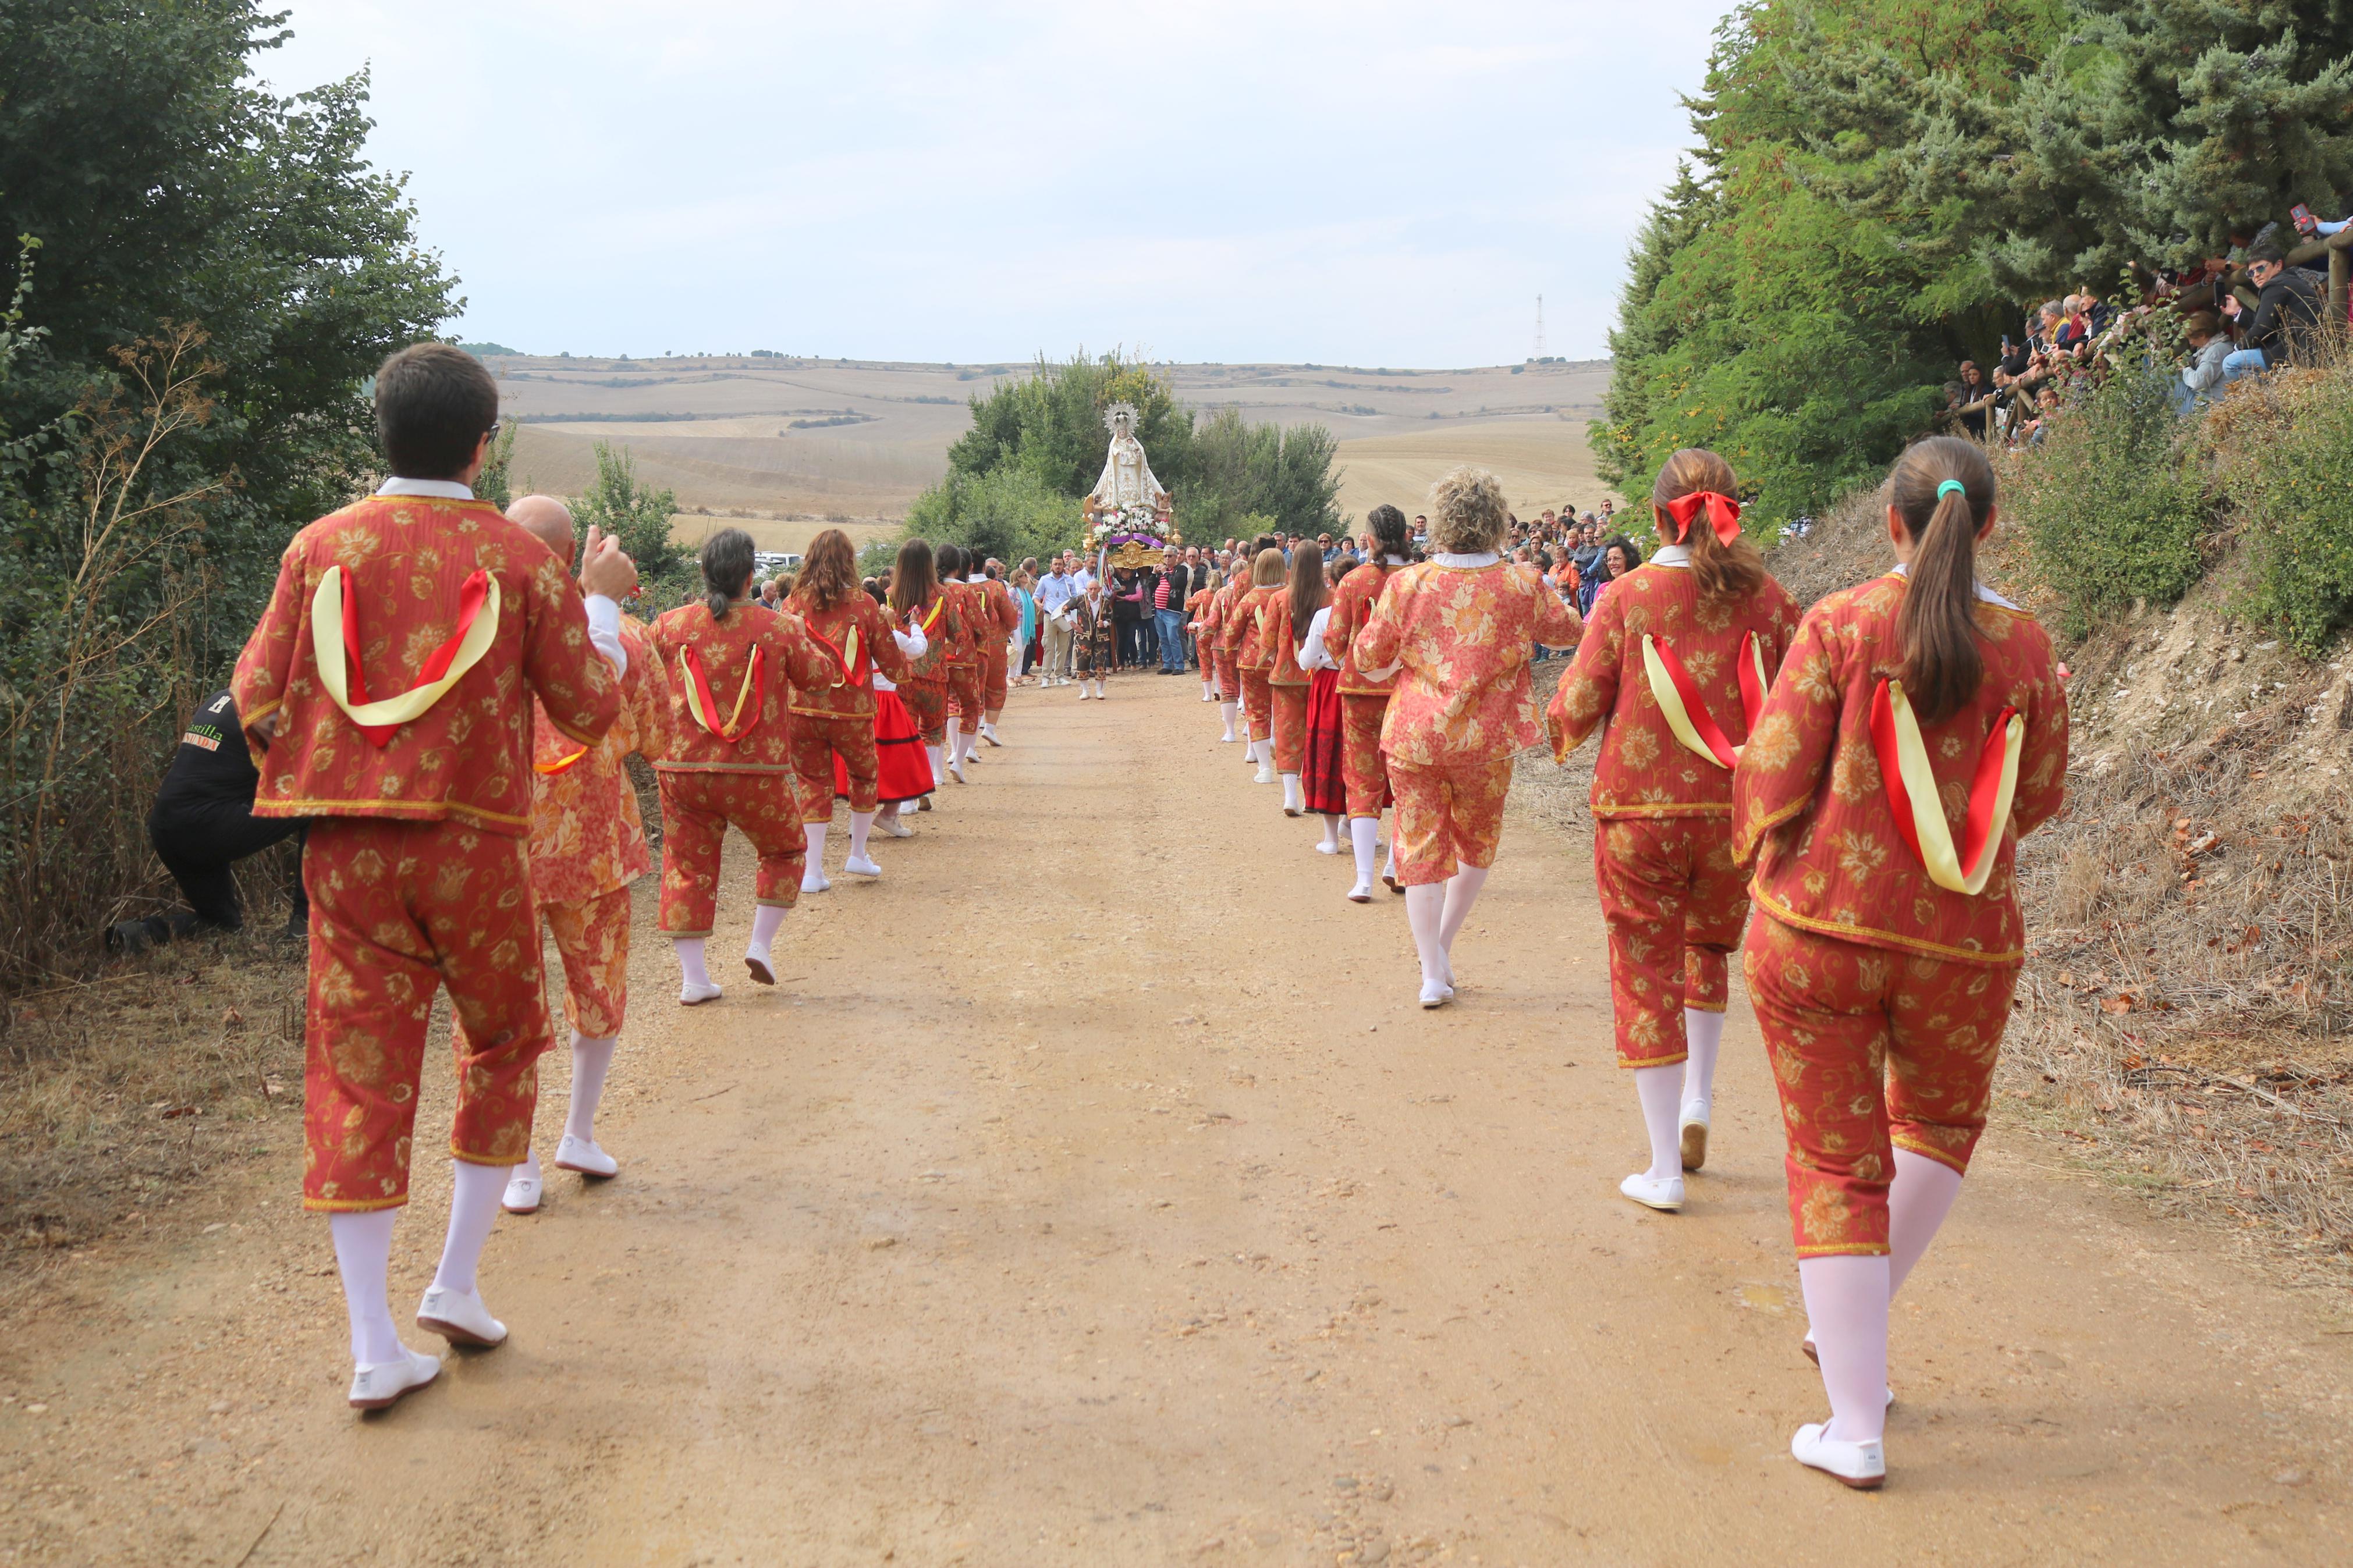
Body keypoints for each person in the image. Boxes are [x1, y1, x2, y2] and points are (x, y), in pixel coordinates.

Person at [230, 342, 631, 1410]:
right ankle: (454, 1283)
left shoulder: (319, 547)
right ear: (483, 444)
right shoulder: (515, 560)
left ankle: (373, 1346)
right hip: (477, 846)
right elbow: (591, 709)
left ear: (380, 433)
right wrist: (595, 607)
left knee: (358, 1070)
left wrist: (322, 776)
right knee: (501, 1043)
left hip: (346, 848)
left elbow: (257, 692)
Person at [1730, 435, 2068, 1490]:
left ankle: (1853, 1421)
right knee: (1936, 1127)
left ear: (1892, 521)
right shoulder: (2026, 646)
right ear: (1989, 526)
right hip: (1962, 947)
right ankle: (1853, 1330)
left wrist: (1763, 844)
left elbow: (1773, 769)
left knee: (1834, 1163)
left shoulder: (1839, 623)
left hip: (1821, 929)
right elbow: (2040, 797)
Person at [1543, 450, 1800, 1215]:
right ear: (1730, 513)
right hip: (1733, 815)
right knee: (1705, 949)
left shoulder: (1624, 596)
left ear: (1656, 517)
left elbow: (1581, 699)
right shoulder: (1770, 600)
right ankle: (1698, 1098)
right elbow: (1796, 706)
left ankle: (1663, 1166)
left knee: (1643, 967)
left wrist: (1552, 729)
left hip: (1638, 812)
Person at [497, 495, 673, 1217]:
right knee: (597, 986)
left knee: (500, 1004)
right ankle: (577, 1131)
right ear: (575, 553)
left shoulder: (477, 629)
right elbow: (657, 736)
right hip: (591, 839)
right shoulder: (623, 636)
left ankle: (517, 1162)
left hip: (498, 838)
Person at [1354, 468, 1582, 1008]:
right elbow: (1569, 631)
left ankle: (1432, 969)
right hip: (1489, 737)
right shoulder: (1521, 582)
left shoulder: (1406, 584)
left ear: (1441, 520)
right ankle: (1440, 946)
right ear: (1495, 520)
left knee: (1418, 845)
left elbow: (1367, 657)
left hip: (1415, 735)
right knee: (1477, 844)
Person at [649, 528, 832, 991]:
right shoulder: (779, 627)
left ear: (704, 572)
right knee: (785, 849)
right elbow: (818, 677)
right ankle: (759, 945)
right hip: (757, 770)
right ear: (751, 575)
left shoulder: (668, 626)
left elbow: (642, 680)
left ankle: (694, 981)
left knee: (686, 868)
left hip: (682, 770)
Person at [111, 689, 307, 954]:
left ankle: (136, 934)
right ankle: (305, 921)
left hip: (167, 827)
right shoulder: (269, 709)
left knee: (221, 924)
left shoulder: (223, 697)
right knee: (315, 804)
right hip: (206, 826)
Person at [786, 528, 927, 887]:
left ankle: (813, 870)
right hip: (852, 710)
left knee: (813, 784)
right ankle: (857, 854)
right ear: (849, 560)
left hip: (802, 709)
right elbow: (892, 663)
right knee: (864, 776)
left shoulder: (794, 602)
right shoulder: (864, 605)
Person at [1325, 504, 1412, 901]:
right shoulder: (1420, 579)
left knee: (1361, 778)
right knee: (1408, 780)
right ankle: (1396, 865)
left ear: (1371, 539)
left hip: (1361, 690)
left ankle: (1362, 877)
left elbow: (1335, 637)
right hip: (1411, 691)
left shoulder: (1354, 581)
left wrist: (1353, 664)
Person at [890, 539, 964, 798]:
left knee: (905, 734)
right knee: (932, 730)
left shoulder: (891, 596)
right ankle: (930, 780)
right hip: (934, 674)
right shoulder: (944, 596)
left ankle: (907, 794)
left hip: (900, 676)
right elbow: (959, 634)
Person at [1259, 542, 1323, 818]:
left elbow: (1268, 640)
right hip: (1321, 676)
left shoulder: (1281, 599)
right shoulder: (1330, 598)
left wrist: (1268, 660)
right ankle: (1313, 795)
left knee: (1287, 734)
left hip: (1286, 675)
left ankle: (1290, 796)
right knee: (1317, 734)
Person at [1294, 553, 1347, 856]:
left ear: (1333, 582)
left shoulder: (1324, 616)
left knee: (1328, 755)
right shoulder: (1371, 612)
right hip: (1363, 686)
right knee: (1356, 756)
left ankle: (1331, 836)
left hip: (1329, 685)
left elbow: (1308, 659)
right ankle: (1358, 823)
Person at [2221, 232, 2323, 381]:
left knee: (2230, 363)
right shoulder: (2287, 281)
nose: (2256, 275)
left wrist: (2237, 348)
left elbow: (2262, 328)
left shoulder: (2276, 285)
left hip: (2299, 354)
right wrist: (2238, 312)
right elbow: (2268, 322)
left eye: (2260, 268)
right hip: (2303, 352)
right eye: (2251, 273)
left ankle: (2273, 390)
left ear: (2278, 265)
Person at [1229, 547, 1288, 786]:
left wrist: (1233, 647)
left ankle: (1264, 767)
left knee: (1257, 713)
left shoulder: (1251, 598)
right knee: (1285, 711)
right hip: (1285, 662)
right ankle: (1290, 765)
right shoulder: (1290, 595)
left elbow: (1232, 632)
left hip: (1253, 662)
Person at [934, 545, 986, 783]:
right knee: (970, 705)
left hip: (935, 659)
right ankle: (958, 760)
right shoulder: (967, 592)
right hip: (963, 658)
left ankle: (936, 772)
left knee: (937, 712)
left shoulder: (930, 590)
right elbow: (981, 626)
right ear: (960, 567)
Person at [971, 557, 1020, 748]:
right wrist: (1008, 629)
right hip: (994, 643)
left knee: (970, 689)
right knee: (996, 686)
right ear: (984, 567)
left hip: (966, 646)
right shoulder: (996, 588)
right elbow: (1010, 615)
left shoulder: (957, 588)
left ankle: (965, 742)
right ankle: (989, 728)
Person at [2173, 311, 2230, 415]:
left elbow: (2197, 382)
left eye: (2191, 338)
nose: (2191, 343)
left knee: (2170, 377)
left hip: (2209, 408)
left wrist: (2185, 367)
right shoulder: (2225, 346)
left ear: (2202, 335)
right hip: (2218, 404)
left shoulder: (2215, 352)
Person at [1070, 572, 1115, 698]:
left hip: (1100, 637)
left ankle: (1099, 691)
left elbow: (1111, 618)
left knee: (1100, 662)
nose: (1093, 591)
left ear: (1100, 589)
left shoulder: (1104, 602)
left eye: (1095, 589)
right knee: (1083, 662)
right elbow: (1065, 609)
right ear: (1087, 589)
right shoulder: (1080, 600)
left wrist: (1104, 623)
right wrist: (1073, 624)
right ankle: (1085, 690)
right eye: (1091, 589)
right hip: (1083, 636)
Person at [1036, 556, 1077, 684]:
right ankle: (1045, 677)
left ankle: (1059, 676)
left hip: (1065, 616)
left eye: (1060, 564)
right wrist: (1039, 604)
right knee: (1048, 646)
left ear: (1064, 566)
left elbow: (1075, 598)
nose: (1058, 567)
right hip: (1050, 616)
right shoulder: (1044, 579)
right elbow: (1036, 596)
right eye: (1055, 564)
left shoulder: (1070, 580)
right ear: (1051, 566)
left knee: (1063, 646)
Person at [1185, 568, 1222, 703]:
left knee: (1205, 662)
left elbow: (1189, 605)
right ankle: (1218, 689)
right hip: (1219, 632)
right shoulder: (1224, 594)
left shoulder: (1202, 594)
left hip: (1203, 631)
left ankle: (1207, 694)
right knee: (1219, 662)